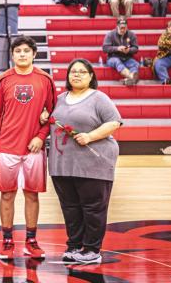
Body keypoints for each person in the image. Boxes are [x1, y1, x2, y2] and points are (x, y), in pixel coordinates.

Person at [0, 36, 56, 261]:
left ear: (34, 54)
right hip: (6, 147)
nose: (23, 54)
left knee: (32, 195)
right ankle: (7, 241)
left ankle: (31, 240)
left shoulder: (45, 80)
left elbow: (53, 115)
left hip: (33, 149)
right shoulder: (3, 80)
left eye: (27, 50)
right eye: (18, 51)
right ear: (13, 55)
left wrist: (41, 136)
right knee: (7, 195)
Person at [47, 58, 122, 264]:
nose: (77, 75)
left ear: (91, 76)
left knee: (93, 208)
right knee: (70, 207)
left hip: (93, 164)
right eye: (73, 72)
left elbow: (114, 122)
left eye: (82, 72)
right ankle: (74, 245)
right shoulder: (59, 98)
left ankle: (92, 250)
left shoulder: (99, 98)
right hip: (62, 165)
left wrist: (90, 136)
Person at [102, 17, 139, 85]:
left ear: (127, 27)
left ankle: (129, 80)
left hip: (127, 57)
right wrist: (117, 48)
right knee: (117, 62)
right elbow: (105, 48)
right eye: (121, 28)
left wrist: (129, 50)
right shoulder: (110, 34)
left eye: (124, 28)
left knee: (134, 64)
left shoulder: (131, 35)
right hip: (113, 57)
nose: (122, 30)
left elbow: (136, 48)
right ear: (117, 27)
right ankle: (132, 77)